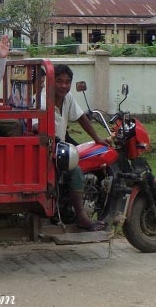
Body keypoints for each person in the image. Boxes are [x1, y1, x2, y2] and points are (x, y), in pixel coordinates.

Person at [53, 64, 111, 231]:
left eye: (67, 82)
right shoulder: (43, 99)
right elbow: (36, 127)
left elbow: (81, 118)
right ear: (51, 81)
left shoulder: (67, 97)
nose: (63, 85)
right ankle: (81, 217)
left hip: (61, 143)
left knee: (86, 155)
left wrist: (98, 139)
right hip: (50, 147)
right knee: (76, 171)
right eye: (59, 81)